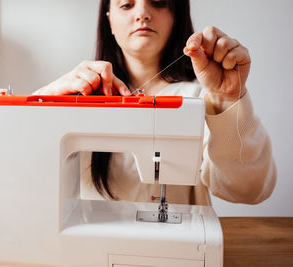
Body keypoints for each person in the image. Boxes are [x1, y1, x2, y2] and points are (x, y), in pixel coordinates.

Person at [33, 0, 276, 205]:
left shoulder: (204, 99)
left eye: (158, 2)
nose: (142, 14)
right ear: (109, 19)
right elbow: (28, 174)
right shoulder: (76, 95)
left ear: (176, 15)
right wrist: (43, 101)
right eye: (127, 4)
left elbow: (250, 190)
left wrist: (229, 99)